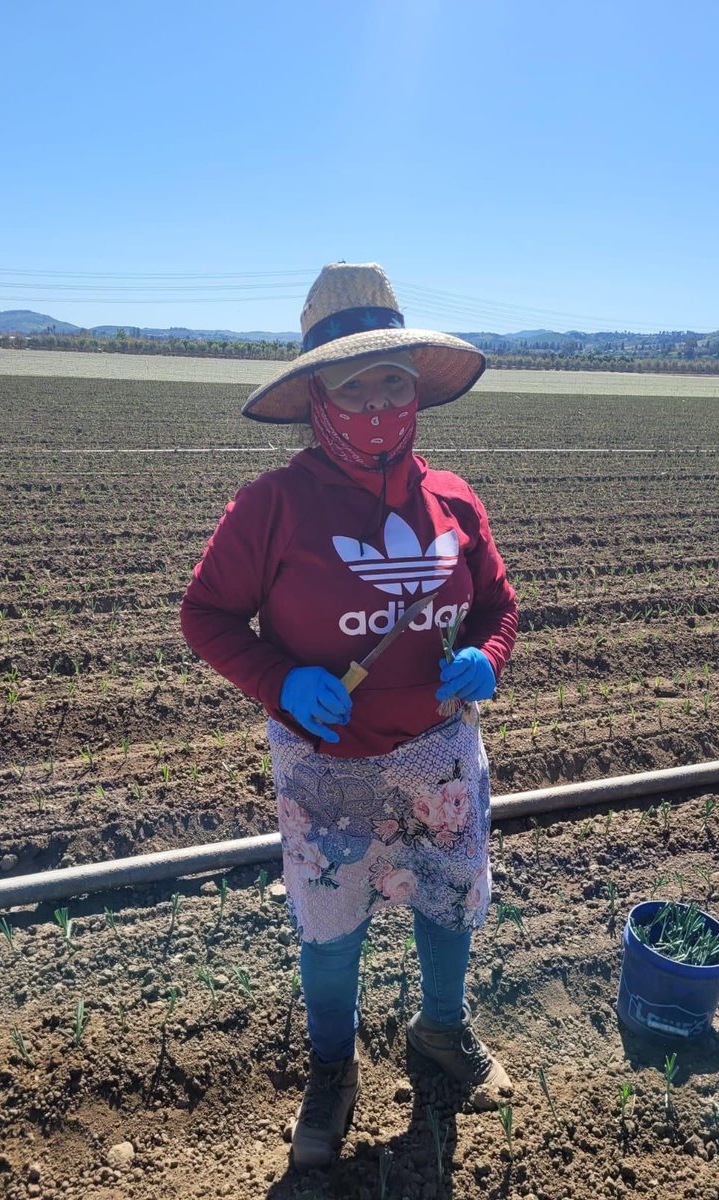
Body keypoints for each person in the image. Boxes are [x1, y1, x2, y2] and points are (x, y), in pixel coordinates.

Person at [180, 262, 518, 1169]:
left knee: (450, 904)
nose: (377, 401)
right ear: (316, 397)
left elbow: (498, 606)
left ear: (417, 391)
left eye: (393, 380)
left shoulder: (453, 501)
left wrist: (486, 659)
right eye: (353, 383)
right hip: (324, 766)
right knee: (330, 924)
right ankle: (333, 1069)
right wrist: (279, 680)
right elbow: (204, 615)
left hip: (441, 753)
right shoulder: (272, 506)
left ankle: (441, 1032)